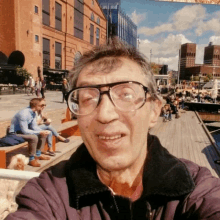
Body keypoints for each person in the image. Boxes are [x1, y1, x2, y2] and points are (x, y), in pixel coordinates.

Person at [6, 39, 220, 219]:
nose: (104, 114)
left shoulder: (194, 187)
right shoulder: (49, 192)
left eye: (126, 94)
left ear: (154, 110)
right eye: (88, 98)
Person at [9, 98, 51, 167]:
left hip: (22, 132)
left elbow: (34, 127)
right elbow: (25, 131)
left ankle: (38, 154)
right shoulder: (24, 114)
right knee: (34, 137)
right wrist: (39, 132)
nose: (44, 106)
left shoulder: (33, 113)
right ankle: (31, 159)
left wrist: (42, 131)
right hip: (15, 133)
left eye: (45, 105)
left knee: (42, 134)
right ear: (35, 106)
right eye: (42, 105)